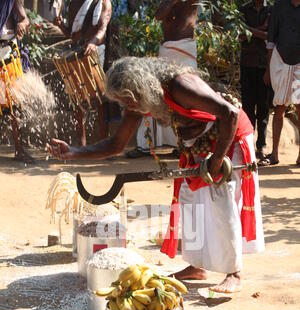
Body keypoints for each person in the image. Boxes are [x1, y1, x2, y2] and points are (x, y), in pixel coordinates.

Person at [48, 56, 265, 293]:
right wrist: (74, 153)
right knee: (189, 199)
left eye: (128, 101)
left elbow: (230, 113)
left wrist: (216, 159)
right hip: (201, 144)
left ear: (140, 88)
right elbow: (116, 144)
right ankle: (197, 265)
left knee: (220, 201)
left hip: (229, 138)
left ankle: (234, 272)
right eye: (123, 103)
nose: (127, 108)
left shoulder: (181, 85)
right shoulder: (139, 103)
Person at [128, 0, 199, 158]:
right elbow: (158, 15)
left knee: (186, 100)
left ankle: (184, 144)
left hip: (184, 51)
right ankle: (146, 145)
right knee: (154, 96)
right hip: (167, 51)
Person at [53, 0, 112, 146]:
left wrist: (93, 42)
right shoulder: (73, 4)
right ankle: (81, 144)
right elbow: (73, 35)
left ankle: (104, 143)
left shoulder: (104, 2)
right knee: (77, 99)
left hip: (96, 51)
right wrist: (60, 26)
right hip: (77, 51)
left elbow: (102, 28)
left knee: (101, 99)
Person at [264, 0, 300, 166]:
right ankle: (275, 153)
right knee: (280, 107)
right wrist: (267, 69)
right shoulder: (279, 5)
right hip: (280, 60)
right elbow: (271, 38)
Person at [239, 0, 273, 164]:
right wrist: (261, 28)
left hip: (264, 65)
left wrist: (250, 31)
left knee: (263, 109)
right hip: (247, 64)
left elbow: (270, 36)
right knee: (247, 107)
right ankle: (248, 144)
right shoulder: (243, 9)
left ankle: (262, 146)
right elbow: (240, 36)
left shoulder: (271, 9)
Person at [0, 0, 33, 162]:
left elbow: (25, 19)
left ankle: (19, 150)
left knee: (15, 104)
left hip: (8, 54)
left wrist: (22, 24)